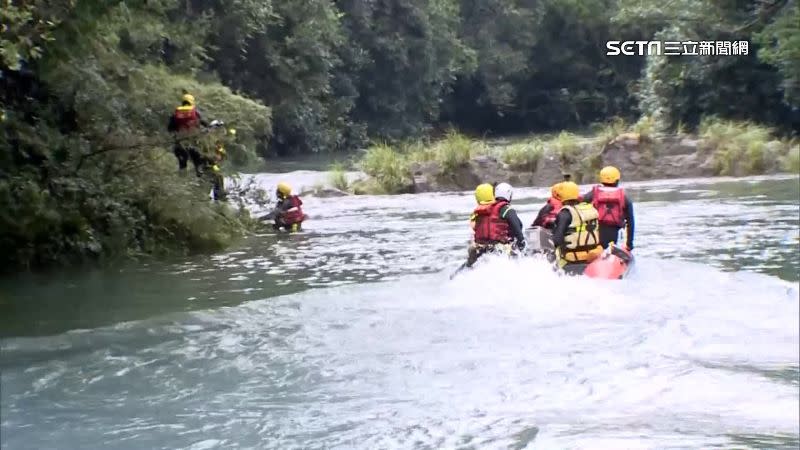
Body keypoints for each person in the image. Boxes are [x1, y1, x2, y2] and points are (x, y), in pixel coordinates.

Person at [465, 182, 526, 268]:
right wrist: (521, 247)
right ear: (509, 195)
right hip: (500, 249)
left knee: (469, 264)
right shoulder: (507, 209)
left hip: (481, 249)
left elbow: (474, 228)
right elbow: (518, 228)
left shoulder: (482, 211)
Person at [551, 181, 604, 273]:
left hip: (573, 259)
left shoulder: (565, 213)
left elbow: (557, 239)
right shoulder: (590, 209)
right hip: (593, 256)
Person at [580, 166, 635, 250]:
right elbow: (630, 222)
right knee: (610, 249)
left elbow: (580, 202)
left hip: (596, 232)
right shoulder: (624, 196)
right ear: (617, 180)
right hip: (613, 233)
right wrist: (629, 245)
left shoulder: (594, 192)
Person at [167, 93, 209, 176]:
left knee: (182, 159)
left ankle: (182, 173)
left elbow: (170, 128)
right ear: (192, 102)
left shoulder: (176, 113)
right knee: (197, 156)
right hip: (193, 140)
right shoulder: (195, 112)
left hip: (180, 141)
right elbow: (204, 123)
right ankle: (199, 169)